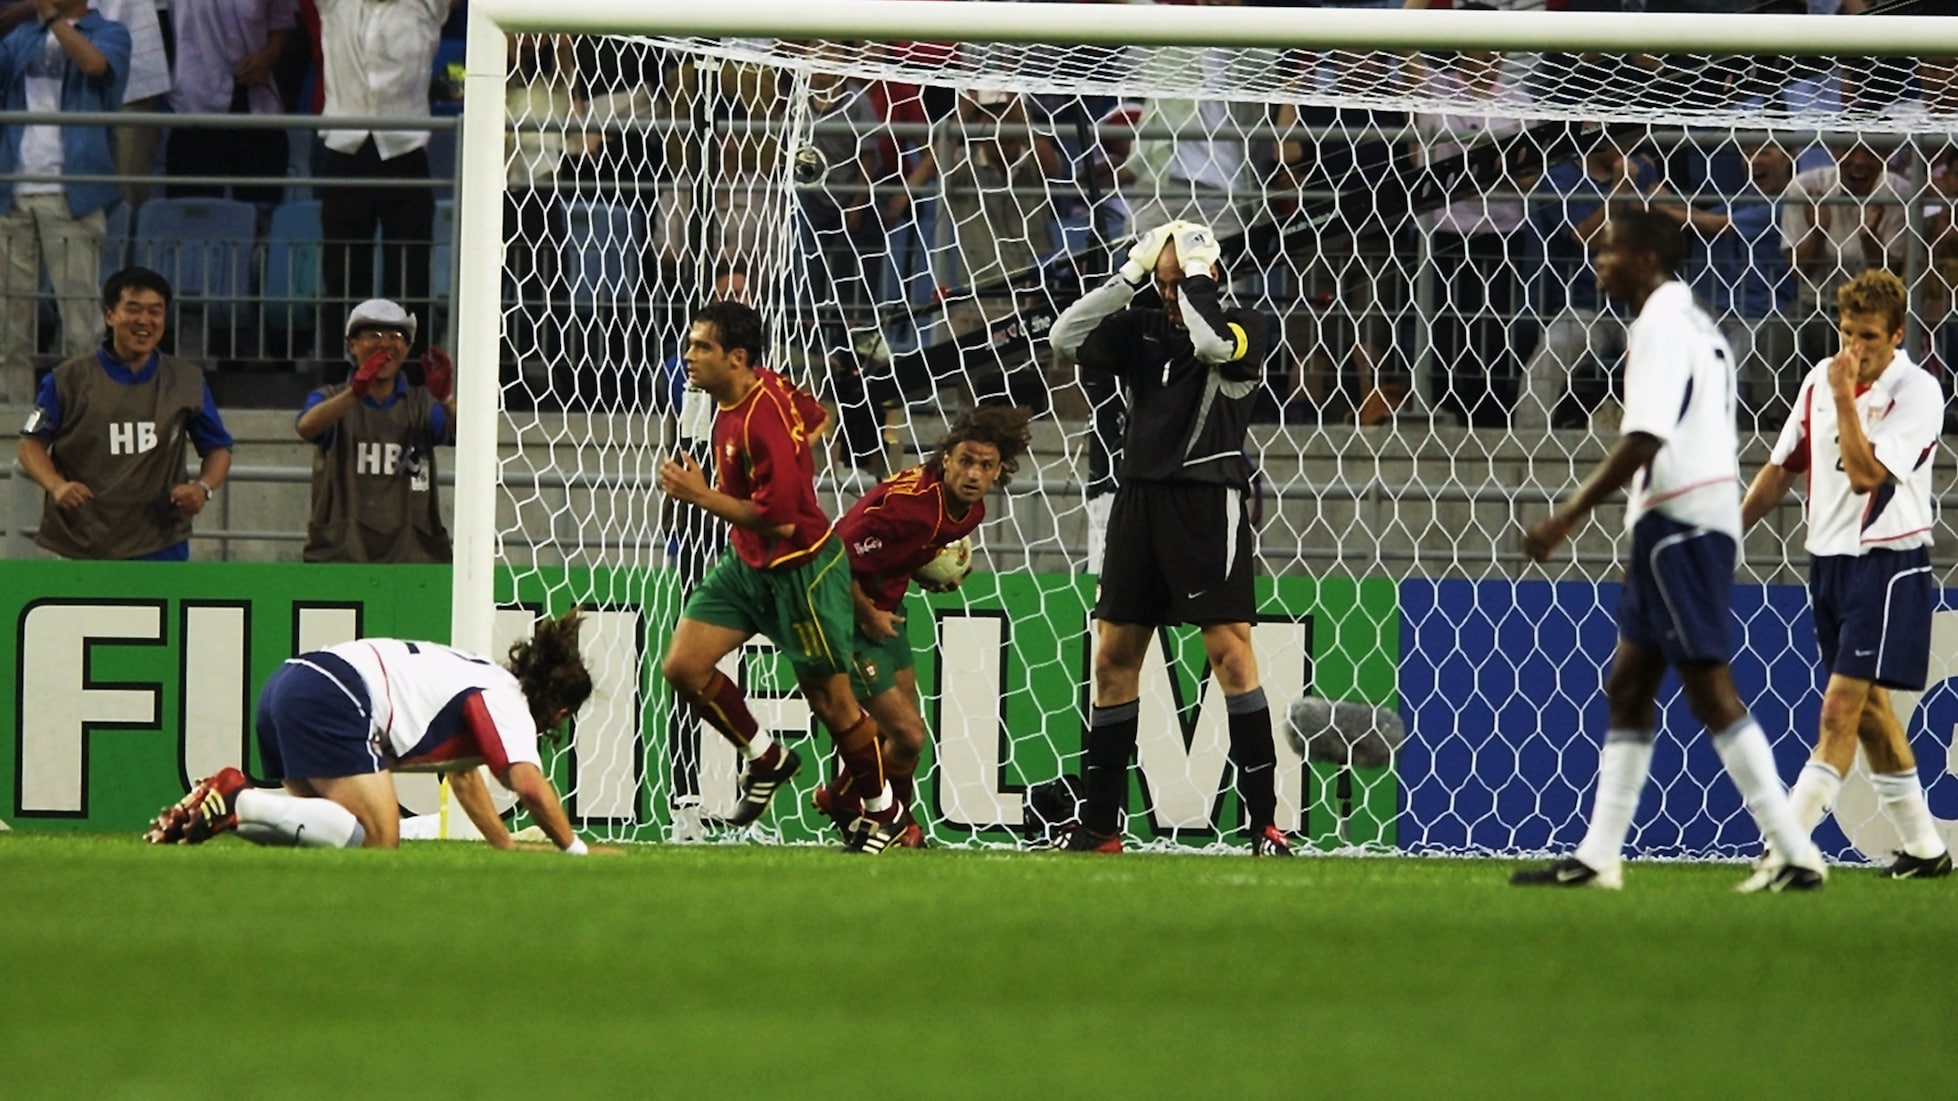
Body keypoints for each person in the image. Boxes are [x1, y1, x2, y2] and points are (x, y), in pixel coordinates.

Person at [1512, 208, 1827, 893]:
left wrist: (1566, 517)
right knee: (1627, 684)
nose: (1599, 262)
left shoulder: (1657, 322)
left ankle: (1794, 848)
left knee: (1710, 689)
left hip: (1681, 521)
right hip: (1684, 520)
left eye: (1609, 250)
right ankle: (1599, 856)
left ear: (1646, 259)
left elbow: (1646, 437)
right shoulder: (1698, 323)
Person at [1049, 219, 1292, 857]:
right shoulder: (1140, 327)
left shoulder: (1247, 326)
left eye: (1175, 282)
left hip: (1207, 502)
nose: (1167, 294)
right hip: (1137, 502)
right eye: (1161, 284)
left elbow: (1214, 345)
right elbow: (1065, 335)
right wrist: (1129, 277)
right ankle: (1101, 828)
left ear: (1207, 278)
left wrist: (1192, 278)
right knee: (1113, 659)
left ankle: (1263, 824)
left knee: (1230, 656)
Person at [656, 300, 906, 854]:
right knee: (682, 667)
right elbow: (818, 418)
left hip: (801, 573)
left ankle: (882, 810)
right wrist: (798, 452)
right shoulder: (757, 387)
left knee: (833, 706)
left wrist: (703, 496)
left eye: (701, 347)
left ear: (736, 357)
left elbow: (782, 520)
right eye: (691, 343)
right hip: (747, 567)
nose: (689, 355)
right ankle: (766, 757)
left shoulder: (761, 421)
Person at [1737, 269, 1951, 882]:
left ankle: (1787, 850)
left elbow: (1865, 475)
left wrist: (1841, 398)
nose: (1856, 350)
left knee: (1837, 713)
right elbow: (1782, 468)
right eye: (1848, 334)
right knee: (1872, 713)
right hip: (1827, 562)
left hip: (1887, 563)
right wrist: (1727, 534)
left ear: (1898, 335)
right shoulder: (1817, 380)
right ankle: (1925, 848)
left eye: (1870, 339)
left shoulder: (1918, 393)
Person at [145, 611, 595, 853]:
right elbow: (530, 787)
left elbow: (462, 776)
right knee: (381, 837)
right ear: (557, 711)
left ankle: (224, 813)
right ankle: (239, 795)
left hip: (295, 680)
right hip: (333, 694)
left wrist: (504, 846)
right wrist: (575, 852)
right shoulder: (507, 700)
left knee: (327, 835)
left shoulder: (482, 673)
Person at [813, 404, 1034, 845]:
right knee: (908, 736)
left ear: (998, 472)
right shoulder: (910, 508)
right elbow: (831, 558)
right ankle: (868, 810)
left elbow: (896, 552)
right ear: (945, 458)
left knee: (906, 728)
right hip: (844, 612)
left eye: (985, 466)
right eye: (965, 461)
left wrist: (922, 571)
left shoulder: (969, 512)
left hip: (886, 610)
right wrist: (867, 613)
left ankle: (888, 819)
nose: (973, 474)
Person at [17, 266, 233, 560]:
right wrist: (57, 486)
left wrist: (203, 488)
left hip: (161, 543)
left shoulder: (187, 380)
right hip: (81, 542)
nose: (144, 320)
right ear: (110, 315)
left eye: (155, 311)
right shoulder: (67, 378)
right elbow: (30, 444)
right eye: (133, 309)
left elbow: (219, 448)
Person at [0, 0, 130, 405]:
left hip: (73, 191)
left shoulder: (109, 33)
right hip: (13, 190)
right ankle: (13, 414)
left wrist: (52, 19)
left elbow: (95, 66)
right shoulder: (21, 36)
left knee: (80, 317)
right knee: (9, 319)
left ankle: (84, 410)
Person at [314, 0, 448, 358]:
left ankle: (413, 380)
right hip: (346, 153)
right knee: (342, 276)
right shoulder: (336, 5)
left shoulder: (425, 6)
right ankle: (336, 377)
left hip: (405, 154)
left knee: (409, 278)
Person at [295, 297, 455, 563]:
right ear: (352, 345)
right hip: (341, 555)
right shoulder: (329, 398)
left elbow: (467, 437)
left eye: (396, 336)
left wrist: (447, 398)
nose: (385, 344)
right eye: (374, 335)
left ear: (407, 347)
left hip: (414, 557)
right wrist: (354, 392)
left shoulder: (422, 404)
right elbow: (306, 427)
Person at [1514, 141, 1659, 431]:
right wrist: (1621, 188)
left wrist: (1653, 188)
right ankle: (1527, 442)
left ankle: (1667, 446)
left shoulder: (1641, 168)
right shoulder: (1561, 177)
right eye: (1621, 136)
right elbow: (1586, 238)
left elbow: (1673, 212)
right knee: (1552, 351)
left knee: (1665, 350)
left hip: (1639, 307)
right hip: (1583, 306)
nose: (1627, 146)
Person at [1781, 141, 1908, 371]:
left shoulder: (1900, 193)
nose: (1859, 161)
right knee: (1779, 336)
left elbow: (1891, 274)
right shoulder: (1807, 187)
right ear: (1834, 149)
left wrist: (1868, 237)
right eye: (1849, 148)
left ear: (1888, 153)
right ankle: (1779, 407)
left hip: (1875, 310)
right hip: (1815, 306)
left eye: (1870, 151)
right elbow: (1797, 272)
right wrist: (1818, 232)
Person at [162, 0, 294, 208]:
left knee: (261, 213)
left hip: (256, 103)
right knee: (193, 217)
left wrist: (267, 58)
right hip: (196, 104)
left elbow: (282, 24)